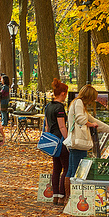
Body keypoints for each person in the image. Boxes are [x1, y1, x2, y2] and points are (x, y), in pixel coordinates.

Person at [65, 84, 109, 205]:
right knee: (76, 171)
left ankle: (67, 198)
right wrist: (91, 125)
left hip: (76, 143)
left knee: (71, 170)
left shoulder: (78, 104)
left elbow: (93, 120)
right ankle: (72, 199)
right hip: (79, 142)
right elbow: (81, 119)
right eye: (93, 98)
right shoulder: (78, 102)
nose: (93, 101)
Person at [44, 78, 69, 206]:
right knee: (66, 168)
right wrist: (67, 140)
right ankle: (61, 195)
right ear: (63, 93)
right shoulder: (59, 108)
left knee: (56, 169)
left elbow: (47, 126)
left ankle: (54, 195)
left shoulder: (48, 106)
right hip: (60, 141)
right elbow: (62, 126)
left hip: (52, 141)